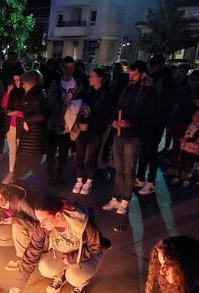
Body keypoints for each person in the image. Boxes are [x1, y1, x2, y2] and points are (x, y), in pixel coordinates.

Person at [9, 196, 104, 293]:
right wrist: (19, 284)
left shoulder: (81, 222)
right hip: (61, 252)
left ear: (58, 215)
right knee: (45, 268)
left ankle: (80, 284)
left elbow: (96, 246)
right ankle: (61, 276)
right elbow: (32, 250)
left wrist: (72, 258)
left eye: (44, 220)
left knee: (74, 276)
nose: (41, 224)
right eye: (40, 220)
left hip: (85, 254)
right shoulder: (44, 227)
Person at [103, 60, 159, 215]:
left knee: (129, 169)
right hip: (120, 134)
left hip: (134, 137)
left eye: (135, 75)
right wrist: (114, 120)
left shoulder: (150, 91)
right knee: (118, 169)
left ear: (143, 74)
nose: (131, 77)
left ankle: (125, 200)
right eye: (130, 74)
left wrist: (131, 123)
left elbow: (151, 118)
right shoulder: (128, 88)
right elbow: (118, 107)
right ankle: (115, 198)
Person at [136, 55, 176, 196]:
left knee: (151, 150)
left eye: (153, 65)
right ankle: (140, 178)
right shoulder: (153, 78)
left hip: (157, 120)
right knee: (143, 149)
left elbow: (166, 102)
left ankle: (151, 182)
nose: (150, 67)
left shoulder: (166, 80)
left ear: (160, 65)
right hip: (147, 119)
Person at [72, 68, 115, 195]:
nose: (89, 78)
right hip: (83, 126)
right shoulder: (87, 91)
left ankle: (89, 182)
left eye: (92, 76)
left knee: (93, 155)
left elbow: (107, 112)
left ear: (100, 78)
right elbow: (77, 103)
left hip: (96, 128)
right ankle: (79, 180)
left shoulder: (106, 93)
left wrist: (93, 114)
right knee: (80, 153)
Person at [46, 56, 81, 185]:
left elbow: (79, 102)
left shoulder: (77, 84)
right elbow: (51, 104)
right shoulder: (56, 83)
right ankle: (50, 176)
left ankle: (60, 177)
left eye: (71, 67)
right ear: (61, 68)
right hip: (55, 124)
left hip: (69, 126)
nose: (68, 70)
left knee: (63, 154)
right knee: (51, 152)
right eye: (66, 67)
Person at [13, 70, 49, 181]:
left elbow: (42, 115)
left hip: (33, 139)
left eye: (24, 83)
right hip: (32, 138)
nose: (22, 85)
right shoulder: (37, 93)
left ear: (29, 83)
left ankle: (17, 191)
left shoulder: (36, 96)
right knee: (31, 168)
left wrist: (26, 120)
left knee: (24, 168)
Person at [170, 108, 199, 188]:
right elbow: (185, 132)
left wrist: (185, 140)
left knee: (189, 165)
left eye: (195, 115)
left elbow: (195, 138)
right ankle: (177, 177)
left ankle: (187, 180)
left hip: (192, 150)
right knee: (181, 162)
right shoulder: (191, 124)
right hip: (185, 147)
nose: (193, 116)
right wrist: (182, 137)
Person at [0, 68, 26, 183]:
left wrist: (17, 112)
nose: (17, 82)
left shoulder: (26, 91)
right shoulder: (12, 91)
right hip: (11, 124)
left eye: (19, 79)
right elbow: (4, 105)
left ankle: (19, 172)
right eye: (15, 80)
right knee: (12, 149)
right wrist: (8, 92)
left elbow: (30, 110)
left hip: (21, 124)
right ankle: (11, 171)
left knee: (20, 149)